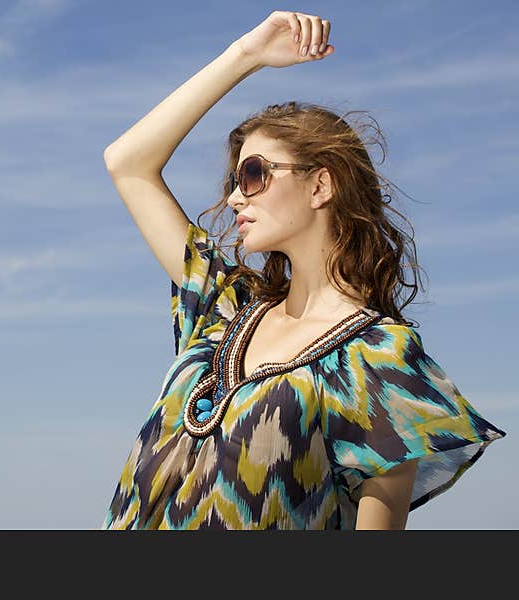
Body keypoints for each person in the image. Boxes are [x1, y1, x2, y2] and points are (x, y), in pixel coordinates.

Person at [100, 10, 507, 530]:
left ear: (320, 186)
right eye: (234, 178)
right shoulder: (226, 309)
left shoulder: (377, 361)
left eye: (253, 174)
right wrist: (246, 55)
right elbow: (127, 162)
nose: (232, 198)